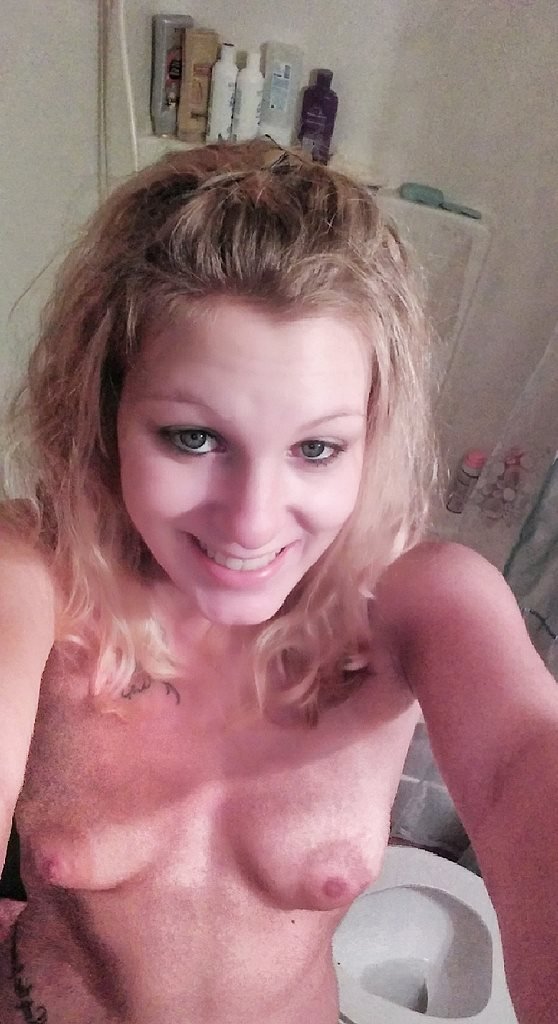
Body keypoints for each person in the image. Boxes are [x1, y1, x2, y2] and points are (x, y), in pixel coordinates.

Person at [0, 139, 556, 1024]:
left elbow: (528, 760)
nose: (252, 523)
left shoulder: (422, 604)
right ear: (105, 413)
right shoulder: (33, 574)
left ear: (371, 439)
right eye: (193, 438)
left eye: (317, 448)